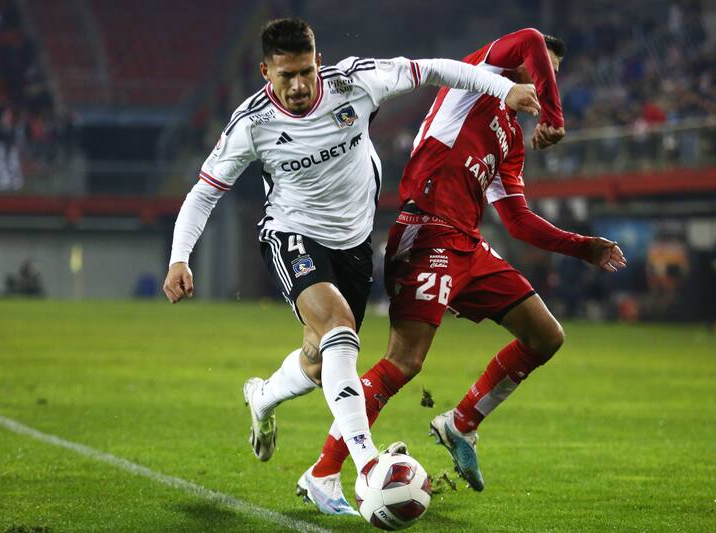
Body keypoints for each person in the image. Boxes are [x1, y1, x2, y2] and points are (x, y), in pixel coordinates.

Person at [162, 17, 542, 515]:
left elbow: (434, 69)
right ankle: (364, 467)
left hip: (354, 246)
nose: (299, 86)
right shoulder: (252, 124)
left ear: (318, 62)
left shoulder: (354, 82)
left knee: (320, 361)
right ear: (265, 73)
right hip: (292, 234)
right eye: (286, 76)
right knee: (340, 329)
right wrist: (180, 257)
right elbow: (204, 192)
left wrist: (503, 88)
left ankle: (264, 398)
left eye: (305, 72)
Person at [298, 28, 627, 511]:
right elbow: (530, 39)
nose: (546, 83)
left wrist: (582, 247)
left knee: (546, 336)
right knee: (404, 363)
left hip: (468, 245)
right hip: (427, 231)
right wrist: (555, 117)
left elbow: (516, 220)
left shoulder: (510, 136)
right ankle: (323, 472)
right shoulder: (477, 76)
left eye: (553, 78)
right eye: (545, 72)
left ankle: (461, 423)